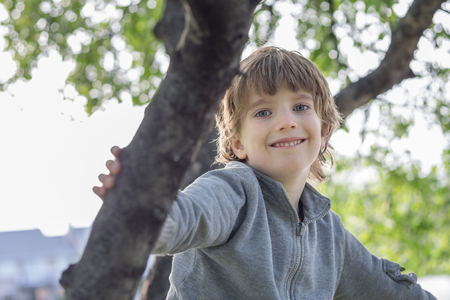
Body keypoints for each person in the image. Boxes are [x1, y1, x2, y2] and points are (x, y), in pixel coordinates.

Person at [94, 47, 435, 300]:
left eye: (300, 107)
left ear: (324, 129)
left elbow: (392, 292)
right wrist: (137, 204)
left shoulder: (329, 233)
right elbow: (183, 218)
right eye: (263, 112)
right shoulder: (232, 192)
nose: (286, 121)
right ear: (237, 142)